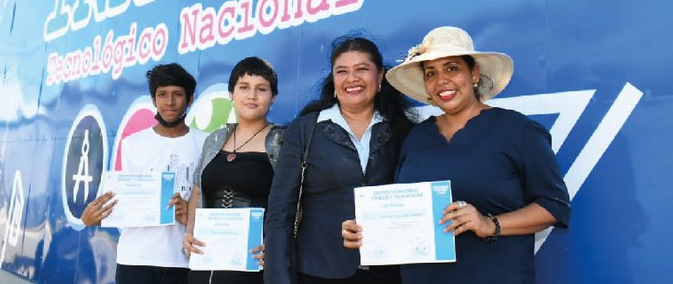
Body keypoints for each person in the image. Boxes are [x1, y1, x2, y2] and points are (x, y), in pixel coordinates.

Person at [341, 26, 571, 283]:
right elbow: (404, 212)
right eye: (431, 73)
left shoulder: (519, 131)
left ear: (473, 73)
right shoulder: (415, 138)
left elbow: (554, 206)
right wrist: (368, 230)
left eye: (452, 68)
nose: (441, 80)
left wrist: (489, 224)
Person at [264, 36, 414, 284]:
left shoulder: (402, 131)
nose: (351, 79)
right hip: (319, 271)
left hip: (388, 272)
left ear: (380, 77)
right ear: (333, 81)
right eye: (342, 71)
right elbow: (281, 212)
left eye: (362, 69)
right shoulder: (306, 130)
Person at [81, 63, 208, 284]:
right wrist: (91, 217)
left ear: (190, 99)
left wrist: (190, 212)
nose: (169, 102)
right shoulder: (132, 144)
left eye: (177, 94)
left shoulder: (207, 142)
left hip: (185, 260)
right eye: (162, 95)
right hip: (136, 258)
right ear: (153, 100)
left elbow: (214, 199)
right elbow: (119, 203)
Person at [181, 57, 285, 284]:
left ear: (273, 97)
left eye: (262, 89)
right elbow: (197, 191)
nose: (252, 96)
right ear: (231, 93)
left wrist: (279, 245)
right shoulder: (214, 140)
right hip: (206, 262)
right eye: (244, 88)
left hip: (255, 265)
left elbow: (297, 201)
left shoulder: (283, 141)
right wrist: (189, 232)